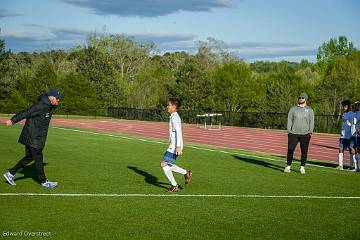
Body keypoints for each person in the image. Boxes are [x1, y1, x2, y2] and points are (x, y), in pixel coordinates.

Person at [3, 90, 62, 188]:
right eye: (57, 98)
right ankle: (44, 182)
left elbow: (52, 107)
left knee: (29, 157)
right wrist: (13, 120)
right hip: (33, 137)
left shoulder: (50, 106)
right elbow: (27, 112)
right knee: (39, 159)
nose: (58, 101)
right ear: (50, 97)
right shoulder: (40, 105)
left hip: (37, 137)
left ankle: (10, 174)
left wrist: (53, 103)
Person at [160, 98, 192, 192]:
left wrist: (178, 146)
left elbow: (178, 131)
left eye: (169, 105)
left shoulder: (174, 117)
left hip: (174, 146)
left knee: (163, 164)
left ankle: (174, 186)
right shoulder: (174, 116)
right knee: (168, 165)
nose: (167, 107)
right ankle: (186, 173)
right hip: (174, 145)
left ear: (174, 107)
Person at [284, 92, 314, 174]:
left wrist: (310, 132)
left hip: (305, 134)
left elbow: (311, 121)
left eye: (302, 98)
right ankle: (288, 166)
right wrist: (289, 131)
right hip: (293, 133)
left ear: (306, 99)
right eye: (300, 97)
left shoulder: (310, 110)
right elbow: (289, 119)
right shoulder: (293, 109)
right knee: (290, 150)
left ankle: (302, 167)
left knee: (304, 151)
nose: (300, 99)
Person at [337, 100, 356, 171]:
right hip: (343, 135)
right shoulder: (344, 114)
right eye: (343, 106)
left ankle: (352, 166)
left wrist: (349, 124)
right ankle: (340, 165)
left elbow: (353, 123)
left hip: (350, 135)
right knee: (341, 148)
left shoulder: (351, 114)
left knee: (351, 150)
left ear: (348, 106)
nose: (343, 108)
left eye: (344, 106)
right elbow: (343, 124)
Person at [352, 101, 360, 172]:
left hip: (359, 133)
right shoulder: (355, 113)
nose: (355, 106)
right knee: (356, 150)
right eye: (355, 105)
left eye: (356, 105)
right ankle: (357, 167)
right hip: (356, 134)